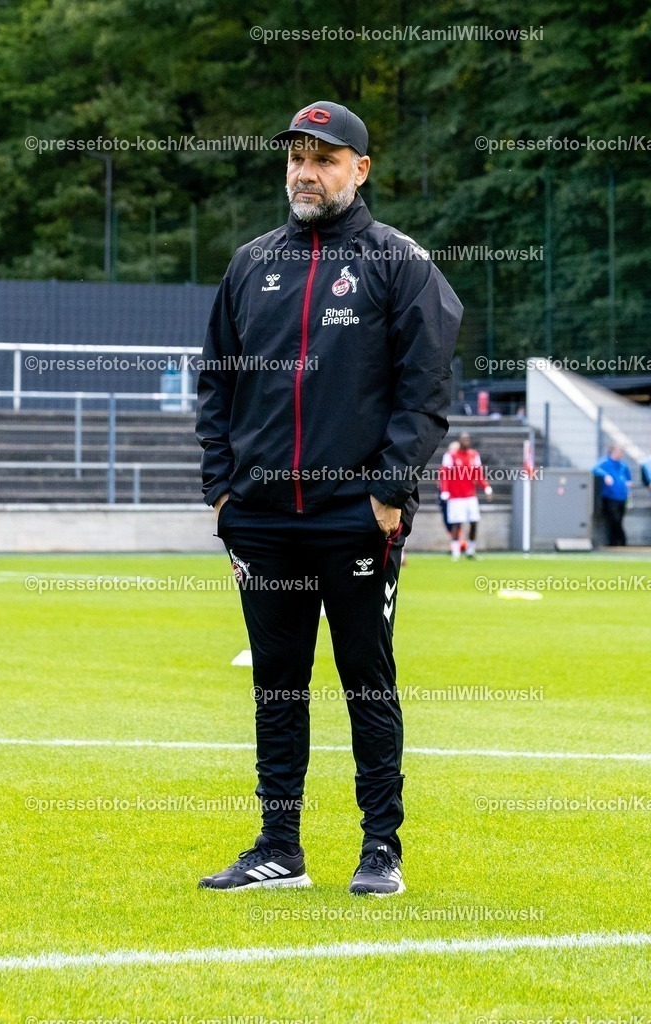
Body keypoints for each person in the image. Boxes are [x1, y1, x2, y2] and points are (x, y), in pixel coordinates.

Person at [195, 100, 463, 895]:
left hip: (358, 515)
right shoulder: (250, 264)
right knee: (276, 685)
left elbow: (426, 388)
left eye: (323, 158)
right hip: (262, 519)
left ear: (360, 169)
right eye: (295, 158)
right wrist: (221, 490)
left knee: (365, 681)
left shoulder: (401, 263)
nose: (305, 172)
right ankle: (279, 847)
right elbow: (215, 382)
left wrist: (389, 488)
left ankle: (382, 849)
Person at [438, 432, 492, 559]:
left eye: (468, 440)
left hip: (470, 496)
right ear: (459, 441)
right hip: (456, 496)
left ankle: (471, 550)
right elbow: (444, 474)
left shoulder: (474, 455)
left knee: (474, 522)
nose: (466, 442)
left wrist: (486, 487)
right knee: (457, 523)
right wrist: (445, 491)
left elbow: (479, 474)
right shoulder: (450, 456)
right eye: (464, 440)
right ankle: (456, 551)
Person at [592, 445, 632, 546]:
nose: (621, 454)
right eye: (619, 452)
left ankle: (614, 542)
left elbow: (628, 477)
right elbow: (594, 469)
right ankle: (622, 540)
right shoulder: (604, 462)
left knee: (619, 519)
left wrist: (627, 484)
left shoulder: (623, 465)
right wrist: (605, 476)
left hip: (622, 496)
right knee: (614, 519)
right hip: (610, 496)